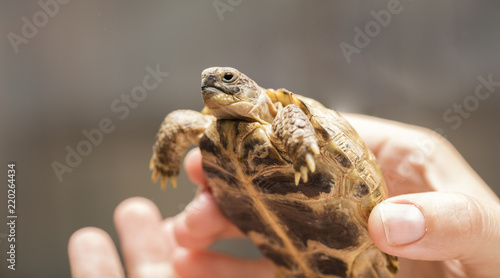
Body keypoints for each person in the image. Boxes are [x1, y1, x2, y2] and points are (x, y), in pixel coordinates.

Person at [68, 114, 500, 278]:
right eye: (210, 83)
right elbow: (180, 124)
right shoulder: (203, 128)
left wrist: (297, 139)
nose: (213, 84)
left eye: (228, 80)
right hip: (283, 240)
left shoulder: (286, 116)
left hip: (352, 223)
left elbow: (294, 116)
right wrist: (167, 155)